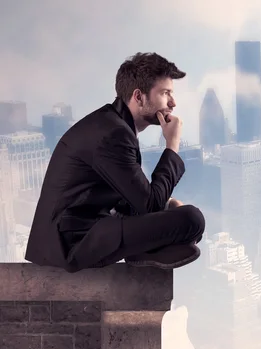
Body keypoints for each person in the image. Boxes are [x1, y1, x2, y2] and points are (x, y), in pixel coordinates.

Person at [25, 52, 205, 273]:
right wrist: (172, 145)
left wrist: (167, 207)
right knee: (192, 219)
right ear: (139, 97)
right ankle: (145, 252)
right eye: (165, 93)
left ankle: (145, 252)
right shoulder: (113, 134)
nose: (173, 103)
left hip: (84, 231)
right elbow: (150, 205)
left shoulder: (114, 125)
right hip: (73, 243)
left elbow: (134, 199)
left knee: (180, 213)